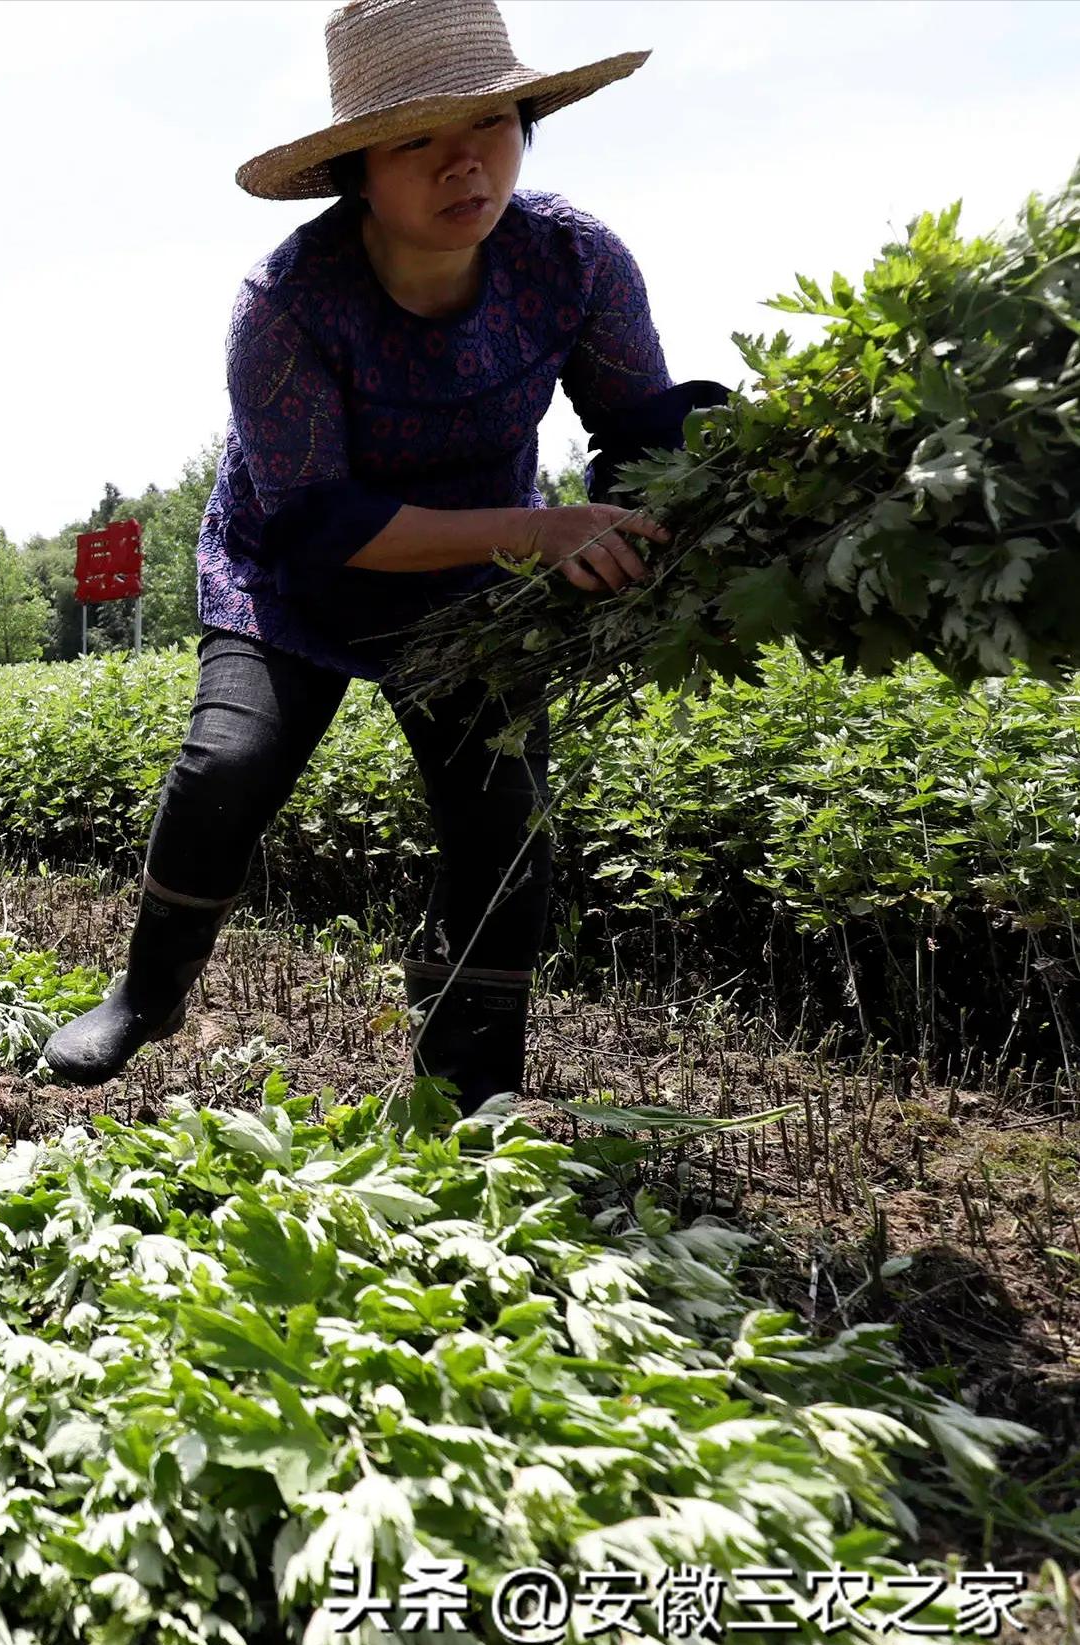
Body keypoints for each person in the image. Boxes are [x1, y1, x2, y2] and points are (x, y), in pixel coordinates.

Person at [41, 0, 724, 1111]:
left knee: (502, 817)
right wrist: (542, 532)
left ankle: (467, 1081)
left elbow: (634, 430)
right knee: (229, 765)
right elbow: (321, 521)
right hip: (290, 576)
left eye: (494, 123)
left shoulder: (574, 262)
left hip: (475, 585)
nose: (467, 162)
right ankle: (145, 994)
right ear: (359, 166)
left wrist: (693, 490)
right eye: (418, 138)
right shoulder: (288, 303)